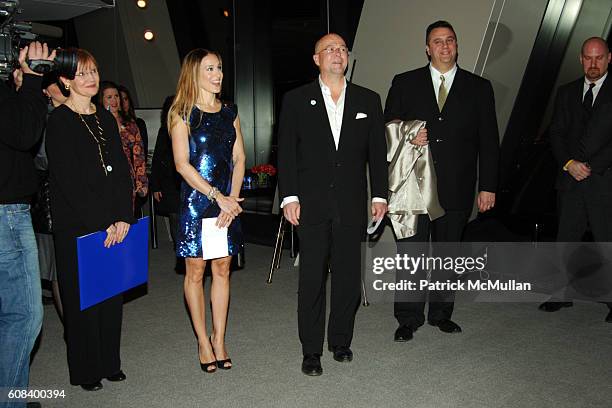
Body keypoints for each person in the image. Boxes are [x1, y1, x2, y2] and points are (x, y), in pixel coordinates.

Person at [277, 33, 388, 376]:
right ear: (316, 59)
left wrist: (380, 195)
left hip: (352, 204)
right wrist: (289, 196)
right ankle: (311, 350)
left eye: (342, 49)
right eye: (329, 49)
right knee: (311, 279)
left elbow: (377, 155)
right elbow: (287, 152)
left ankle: (340, 340)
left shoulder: (368, 99)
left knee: (348, 278)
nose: (337, 54)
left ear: (348, 57)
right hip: (310, 204)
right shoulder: (296, 99)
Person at [384, 20, 499, 341]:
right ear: (427, 48)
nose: (444, 46)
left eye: (450, 40)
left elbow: (489, 140)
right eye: (437, 41)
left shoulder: (479, 87)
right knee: (411, 254)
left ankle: (440, 314)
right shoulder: (405, 82)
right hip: (414, 187)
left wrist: (488, 185)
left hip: (458, 186)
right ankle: (407, 317)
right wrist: (408, 131)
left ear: (457, 45)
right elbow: (387, 123)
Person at [46, 49, 135, 391]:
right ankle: (86, 370)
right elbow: (68, 182)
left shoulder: (106, 117)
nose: (91, 78)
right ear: (66, 81)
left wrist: (123, 218)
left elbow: (121, 173)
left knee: (111, 295)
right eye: (82, 73)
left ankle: (110, 362)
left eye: (94, 71)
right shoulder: (59, 121)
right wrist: (103, 221)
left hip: (114, 221)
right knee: (84, 299)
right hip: (78, 224)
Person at [168, 49, 246, 373]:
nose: (218, 74)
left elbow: (240, 158)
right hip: (197, 205)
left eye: (220, 68)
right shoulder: (181, 113)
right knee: (196, 273)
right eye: (210, 68)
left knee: (223, 270)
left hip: (227, 205)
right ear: (194, 73)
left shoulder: (230, 112)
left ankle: (220, 338)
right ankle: (202, 340)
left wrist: (232, 198)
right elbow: (181, 164)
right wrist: (217, 196)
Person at [542, 36, 612, 323]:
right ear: (581, 59)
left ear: (609, 58)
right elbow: (555, 133)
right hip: (570, 180)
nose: (593, 63)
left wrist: (591, 166)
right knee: (566, 239)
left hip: (604, 180)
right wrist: (570, 164)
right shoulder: (566, 91)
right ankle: (562, 294)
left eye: (599, 57)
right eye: (588, 57)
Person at [0, 41, 54, 408]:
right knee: (24, 315)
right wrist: (33, 81)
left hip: (10, 210)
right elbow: (23, 134)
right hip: (6, 213)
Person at [30, 72, 70, 321]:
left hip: (82, 199)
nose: (64, 86)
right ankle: (71, 326)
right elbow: (42, 159)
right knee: (59, 269)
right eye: (57, 83)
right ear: (46, 90)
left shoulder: (84, 113)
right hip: (51, 200)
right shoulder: (43, 117)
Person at [99, 81, 148, 216]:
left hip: (127, 179)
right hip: (105, 179)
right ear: (101, 100)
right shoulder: (97, 123)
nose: (114, 100)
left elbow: (139, 154)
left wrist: (141, 181)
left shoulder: (130, 124)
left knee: (128, 218)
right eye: (109, 97)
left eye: (116, 96)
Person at [150, 95, 184, 273]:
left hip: (186, 179)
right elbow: (157, 160)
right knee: (175, 217)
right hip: (169, 181)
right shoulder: (164, 131)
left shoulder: (190, 127)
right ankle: (180, 253)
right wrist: (155, 185)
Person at [118, 84, 149, 153]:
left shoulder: (139, 123)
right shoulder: (113, 123)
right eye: (120, 100)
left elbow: (144, 149)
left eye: (125, 99)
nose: (123, 103)